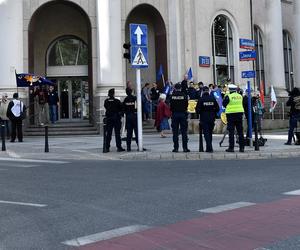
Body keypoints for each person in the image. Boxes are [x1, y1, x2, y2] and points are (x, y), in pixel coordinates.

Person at [196, 86, 220, 152]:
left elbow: (197, 110)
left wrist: (201, 112)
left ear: (203, 91)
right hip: (212, 118)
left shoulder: (201, 99)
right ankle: (209, 147)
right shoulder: (212, 98)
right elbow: (217, 109)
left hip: (204, 118)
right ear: (208, 91)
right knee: (210, 133)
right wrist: (213, 112)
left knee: (206, 133)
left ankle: (209, 147)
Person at [222, 84, 245, 152]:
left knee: (231, 131)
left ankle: (231, 148)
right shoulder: (240, 96)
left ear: (230, 90)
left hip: (231, 115)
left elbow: (224, 104)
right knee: (240, 131)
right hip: (239, 114)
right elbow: (242, 104)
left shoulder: (228, 96)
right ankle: (242, 147)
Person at [170, 83, 189, 152]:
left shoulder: (172, 96)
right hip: (183, 114)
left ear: (175, 88)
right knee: (184, 132)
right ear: (180, 88)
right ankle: (185, 148)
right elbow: (186, 105)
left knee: (175, 132)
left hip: (175, 114)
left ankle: (176, 148)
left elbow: (171, 106)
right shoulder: (184, 95)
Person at [104, 88, 125, 152]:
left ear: (108, 94)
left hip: (109, 119)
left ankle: (107, 147)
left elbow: (106, 107)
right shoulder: (117, 101)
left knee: (109, 134)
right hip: (116, 119)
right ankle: (119, 147)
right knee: (117, 134)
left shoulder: (106, 101)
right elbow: (121, 108)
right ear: (113, 94)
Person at [122, 87, 138, 152]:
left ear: (126, 92)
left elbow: (123, 109)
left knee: (129, 133)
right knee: (137, 132)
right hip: (134, 116)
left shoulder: (125, 99)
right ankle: (139, 145)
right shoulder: (135, 98)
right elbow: (138, 107)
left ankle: (128, 147)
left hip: (128, 117)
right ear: (131, 92)